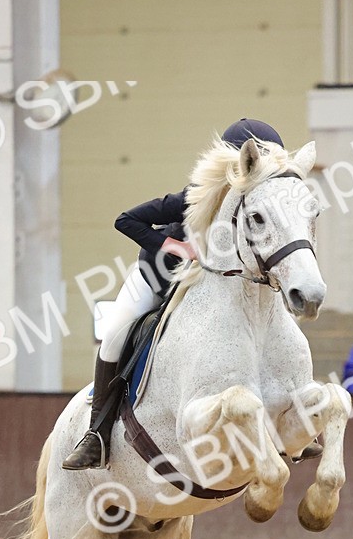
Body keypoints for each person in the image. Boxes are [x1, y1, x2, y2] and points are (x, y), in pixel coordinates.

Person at [62, 118, 285, 471]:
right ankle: (97, 435)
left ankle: (290, 421)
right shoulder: (190, 198)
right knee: (115, 334)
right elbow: (126, 220)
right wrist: (177, 245)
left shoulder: (262, 211)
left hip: (207, 293)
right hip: (157, 278)